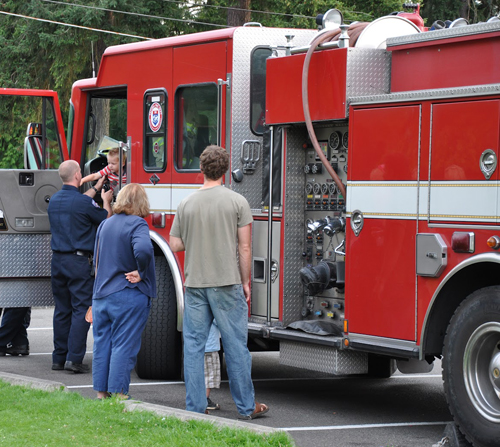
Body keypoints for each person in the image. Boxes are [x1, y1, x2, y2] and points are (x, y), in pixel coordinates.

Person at [170, 145, 269, 419]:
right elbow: (245, 248)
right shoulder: (237, 202)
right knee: (236, 346)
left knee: (194, 347)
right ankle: (247, 407)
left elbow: (175, 243)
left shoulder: (186, 203)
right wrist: (245, 281)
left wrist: (197, 237)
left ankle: (195, 407)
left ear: (201, 170)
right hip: (227, 283)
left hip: (196, 284)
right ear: (225, 171)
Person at [48, 160, 113, 373]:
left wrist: (94, 188)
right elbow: (105, 220)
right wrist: (106, 200)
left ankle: (58, 358)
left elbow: (78, 204)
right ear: (78, 175)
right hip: (78, 263)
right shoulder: (83, 203)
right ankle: (74, 359)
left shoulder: (54, 200)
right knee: (81, 309)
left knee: (62, 310)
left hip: (57, 261)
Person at [92, 183, 156, 400]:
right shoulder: (138, 224)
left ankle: (101, 394)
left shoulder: (105, 224)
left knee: (102, 345)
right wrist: (142, 272)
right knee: (123, 346)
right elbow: (145, 250)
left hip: (101, 295)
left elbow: (97, 261)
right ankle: (119, 394)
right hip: (127, 295)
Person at [205, 320, 221, 411]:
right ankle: (205, 400)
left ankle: (197, 399)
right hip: (210, 348)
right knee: (209, 376)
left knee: (200, 374)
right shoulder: (211, 312)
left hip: (198, 347)